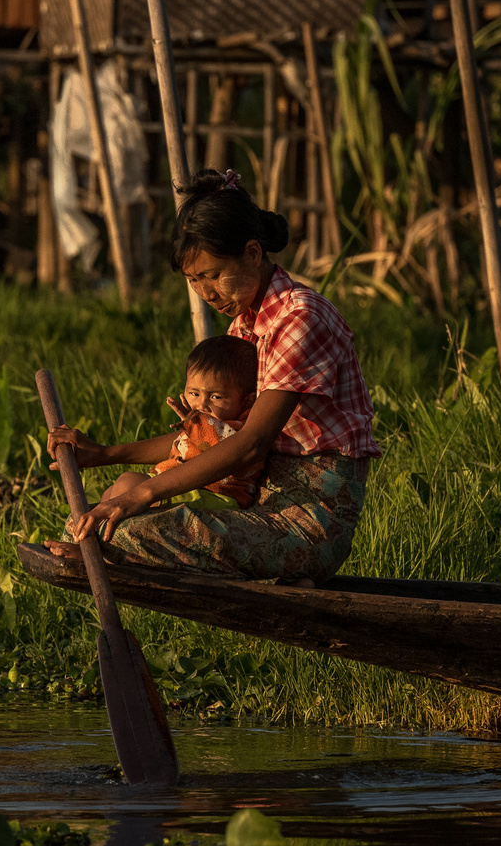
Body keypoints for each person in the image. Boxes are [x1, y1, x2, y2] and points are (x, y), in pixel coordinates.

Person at [46, 168, 381, 583]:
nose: (206, 292)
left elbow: (249, 444)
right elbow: (216, 436)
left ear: (253, 254)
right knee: (118, 493)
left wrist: (145, 495)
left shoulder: (300, 318)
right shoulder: (244, 327)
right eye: (193, 280)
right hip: (252, 500)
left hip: (305, 523)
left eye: (213, 274)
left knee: (124, 528)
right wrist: (105, 454)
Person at [89, 334, 267, 514]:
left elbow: (223, 445)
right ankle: (94, 539)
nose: (202, 404)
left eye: (216, 397)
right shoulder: (203, 419)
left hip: (218, 497)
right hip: (187, 487)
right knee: (111, 492)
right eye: (194, 393)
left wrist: (194, 422)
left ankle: (104, 538)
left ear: (247, 401)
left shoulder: (244, 424)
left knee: (127, 482)